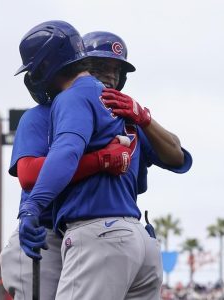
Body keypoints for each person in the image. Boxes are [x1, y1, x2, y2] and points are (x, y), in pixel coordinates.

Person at [16, 21, 191, 300]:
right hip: (120, 240)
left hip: (100, 232)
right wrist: (99, 159)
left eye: (115, 69)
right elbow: (29, 174)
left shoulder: (108, 109)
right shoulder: (95, 108)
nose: (108, 76)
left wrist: (144, 118)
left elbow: (178, 157)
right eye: (99, 67)